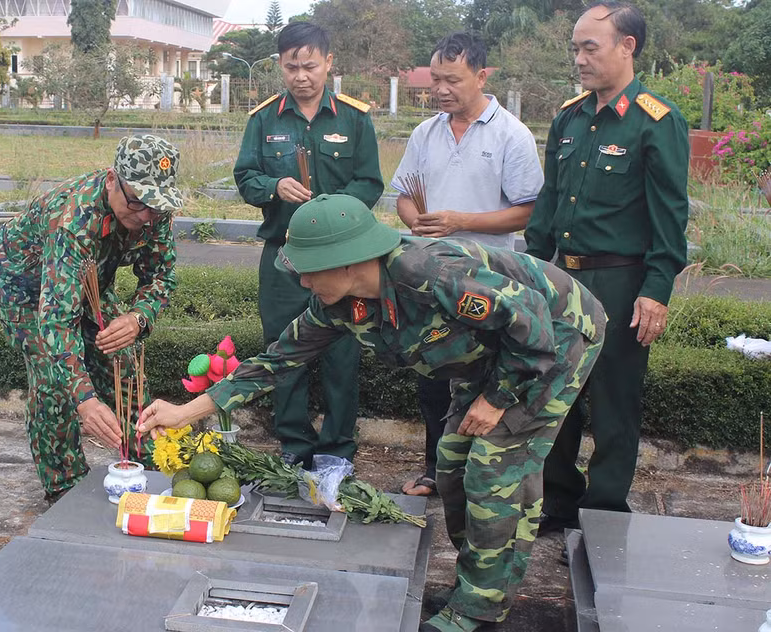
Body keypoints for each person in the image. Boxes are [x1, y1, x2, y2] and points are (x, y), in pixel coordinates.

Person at [139, 194, 605, 631]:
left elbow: (533, 325)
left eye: (309, 270)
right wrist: (185, 412)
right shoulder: (339, 304)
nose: (302, 281)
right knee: (451, 467)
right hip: (491, 354)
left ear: (347, 261)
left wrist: (498, 399)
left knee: (493, 471)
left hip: (556, 342)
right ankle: (482, 575)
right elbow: (276, 363)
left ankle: (479, 607)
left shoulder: (432, 274)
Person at [524, 1, 689, 534]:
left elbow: (669, 217)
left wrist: (656, 289)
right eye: (575, 48)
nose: (579, 58)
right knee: (556, 396)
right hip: (563, 281)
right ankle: (560, 504)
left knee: (615, 401)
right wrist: (530, 274)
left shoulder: (655, 123)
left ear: (627, 47)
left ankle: (605, 514)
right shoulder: (569, 118)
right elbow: (548, 208)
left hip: (620, 282)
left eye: (589, 47)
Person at [0, 134, 181, 500]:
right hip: (23, 285)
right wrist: (86, 400)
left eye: (155, 207)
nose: (145, 217)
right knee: (53, 377)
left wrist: (138, 317)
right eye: (137, 203)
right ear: (111, 180)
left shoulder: (154, 208)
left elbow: (162, 275)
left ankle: (146, 464)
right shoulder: (73, 220)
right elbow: (58, 321)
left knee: (121, 358)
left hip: (88, 277)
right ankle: (65, 487)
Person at [392, 31, 543, 497]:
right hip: (430, 275)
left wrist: (461, 221)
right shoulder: (426, 132)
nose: (440, 89)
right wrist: (416, 220)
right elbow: (403, 194)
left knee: (482, 378)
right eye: (435, 79)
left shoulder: (511, 135)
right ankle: (434, 470)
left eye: (452, 80)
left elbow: (528, 209)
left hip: (486, 280)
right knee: (433, 373)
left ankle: (476, 479)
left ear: (481, 76)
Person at [233, 21, 384, 467]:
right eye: (291, 67)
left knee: (342, 351)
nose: (301, 76)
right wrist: (274, 186)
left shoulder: (355, 118)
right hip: (284, 259)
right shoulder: (264, 120)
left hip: (343, 262)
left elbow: (370, 183)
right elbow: (245, 178)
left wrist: (331, 212)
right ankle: (294, 449)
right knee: (283, 352)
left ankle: (338, 450)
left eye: (310, 66)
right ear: (280, 66)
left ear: (329, 63)